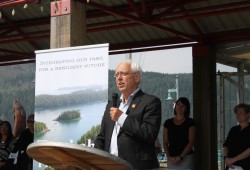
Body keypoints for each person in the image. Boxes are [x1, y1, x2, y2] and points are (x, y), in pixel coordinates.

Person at [94, 60, 162, 169]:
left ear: (137, 77)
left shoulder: (150, 102)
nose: (119, 78)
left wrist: (121, 117)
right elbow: (102, 138)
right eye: (116, 75)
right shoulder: (111, 105)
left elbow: (149, 133)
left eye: (123, 74)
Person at [163, 97, 195, 170]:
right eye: (178, 104)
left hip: (187, 157)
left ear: (186, 108)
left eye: (182, 105)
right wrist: (169, 157)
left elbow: (191, 142)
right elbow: (165, 142)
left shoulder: (190, 122)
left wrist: (180, 157)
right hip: (172, 158)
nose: (179, 107)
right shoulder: (168, 123)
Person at [223, 103, 250, 170]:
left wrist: (234, 159)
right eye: (236, 113)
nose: (238, 115)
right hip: (231, 166)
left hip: (246, 165)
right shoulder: (233, 129)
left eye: (240, 112)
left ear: (248, 114)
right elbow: (226, 145)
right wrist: (226, 158)